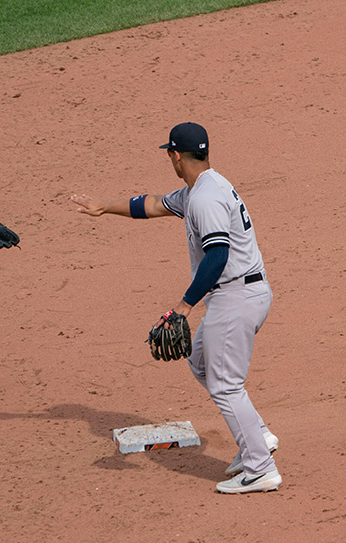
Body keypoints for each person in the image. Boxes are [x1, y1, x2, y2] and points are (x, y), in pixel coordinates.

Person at [70, 122, 281, 494]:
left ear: (175, 156)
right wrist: (105, 207)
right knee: (200, 360)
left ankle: (261, 467)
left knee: (225, 385)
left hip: (236, 296)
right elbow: (150, 205)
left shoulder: (204, 199)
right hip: (237, 294)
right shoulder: (201, 187)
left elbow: (217, 256)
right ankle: (258, 436)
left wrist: (183, 306)